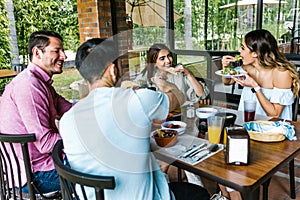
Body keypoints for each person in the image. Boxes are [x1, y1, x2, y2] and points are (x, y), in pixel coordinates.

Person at [59, 38, 210, 200]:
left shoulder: (66, 121)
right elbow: (177, 98)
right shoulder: (137, 101)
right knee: (199, 194)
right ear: (112, 70)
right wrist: (169, 88)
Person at [214, 29, 299, 200]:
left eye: (243, 47)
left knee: (235, 161)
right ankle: (225, 194)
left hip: (272, 131)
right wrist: (225, 68)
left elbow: (274, 113)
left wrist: (255, 87)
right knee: (218, 152)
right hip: (247, 123)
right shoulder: (247, 67)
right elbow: (227, 80)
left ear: (255, 53)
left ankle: (233, 193)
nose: (239, 51)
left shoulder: (281, 73)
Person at [0, 30, 72, 194]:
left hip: (41, 165)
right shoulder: (29, 86)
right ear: (37, 52)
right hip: (35, 175)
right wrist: (84, 139)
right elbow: (46, 143)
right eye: (56, 51)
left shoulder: (40, 82)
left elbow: (70, 111)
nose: (63, 56)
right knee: (98, 166)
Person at [135, 43, 209, 104]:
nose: (168, 61)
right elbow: (133, 88)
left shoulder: (181, 73)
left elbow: (201, 94)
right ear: (154, 63)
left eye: (169, 56)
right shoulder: (148, 74)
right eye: (162, 58)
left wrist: (189, 74)